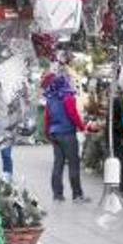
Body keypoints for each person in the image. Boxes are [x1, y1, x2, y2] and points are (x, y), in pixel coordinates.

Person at [42, 72, 87, 203]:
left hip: (55, 134)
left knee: (58, 164)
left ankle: (57, 195)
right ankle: (77, 195)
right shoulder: (68, 98)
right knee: (73, 164)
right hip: (67, 133)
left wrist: (47, 134)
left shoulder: (50, 99)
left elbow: (47, 118)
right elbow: (73, 115)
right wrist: (82, 127)